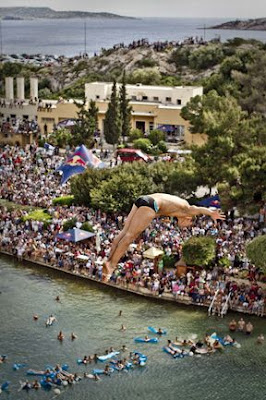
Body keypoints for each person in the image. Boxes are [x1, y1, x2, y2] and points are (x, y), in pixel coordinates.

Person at [103, 193, 225, 278]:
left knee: (124, 232)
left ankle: (108, 260)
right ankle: (111, 265)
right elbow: (197, 209)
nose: (184, 226)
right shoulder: (187, 210)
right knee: (129, 236)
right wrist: (211, 213)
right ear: (188, 218)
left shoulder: (179, 207)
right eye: (187, 224)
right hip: (152, 204)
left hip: (144, 199)